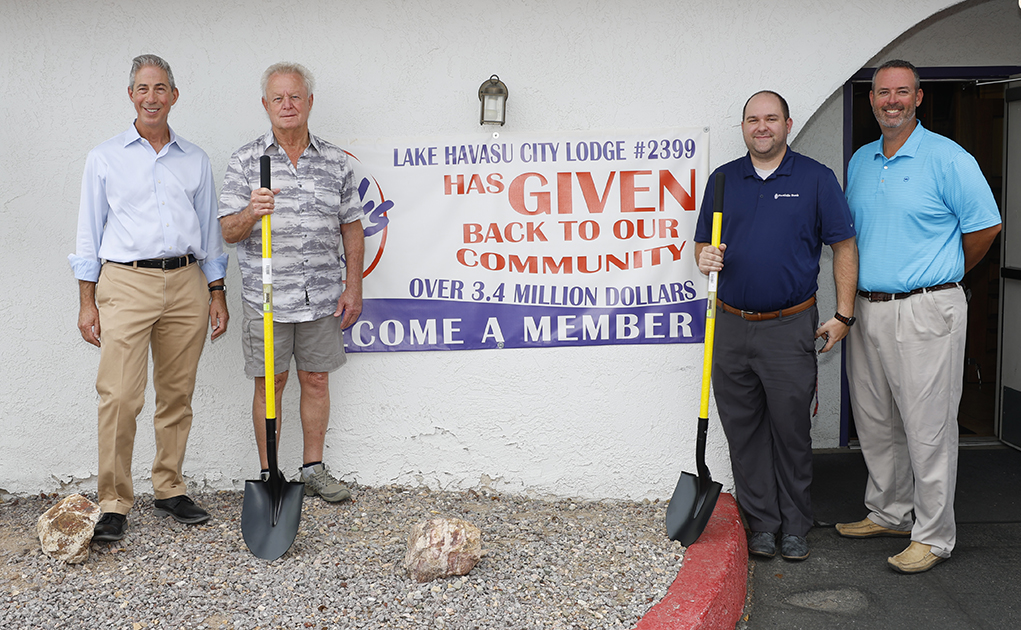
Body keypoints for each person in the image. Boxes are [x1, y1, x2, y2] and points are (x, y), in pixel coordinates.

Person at [839, 60, 1002, 574]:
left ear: (919, 97)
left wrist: (941, 275)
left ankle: (933, 536)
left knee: (928, 428)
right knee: (876, 420)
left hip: (927, 309)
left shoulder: (947, 157)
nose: (892, 100)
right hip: (868, 310)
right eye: (883, 92)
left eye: (902, 92)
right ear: (871, 100)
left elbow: (985, 228)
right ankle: (889, 512)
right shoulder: (862, 160)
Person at [69, 54, 229, 542]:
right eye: (143, 88)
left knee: (177, 395)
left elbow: (209, 233)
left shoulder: (195, 159)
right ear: (131, 96)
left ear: (174, 96)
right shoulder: (105, 157)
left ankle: (169, 487)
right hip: (126, 282)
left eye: (161, 88)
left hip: (186, 282)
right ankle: (114, 500)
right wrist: (86, 300)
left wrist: (216, 292)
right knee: (119, 396)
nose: (152, 97)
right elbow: (87, 233)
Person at [694, 90, 858, 562]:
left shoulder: (815, 178)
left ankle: (795, 524)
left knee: (790, 431)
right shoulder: (724, 180)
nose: (761, 127)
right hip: (729, 326)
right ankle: (762, 524)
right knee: (743, 432)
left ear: (788, 123)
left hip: (789, 327)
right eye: (752, 119)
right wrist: (702, 256)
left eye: (770, 119)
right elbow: (702, 243)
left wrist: (843, 314)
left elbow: (844, 246)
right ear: (742, 126)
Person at [219, 62, 364, 502]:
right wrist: (251, 212)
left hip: (320, 297)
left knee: (316, 380)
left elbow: (352, 228)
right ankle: (271, 476)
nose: (287, 105)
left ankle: (314, 469)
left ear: (309, 102)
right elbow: (228, 231)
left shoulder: (336, 162)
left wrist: (353, 285)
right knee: (271, 384)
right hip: (267, 300)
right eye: (278, 98)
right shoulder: (246, 162)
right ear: (265, 105)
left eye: (295, 96)